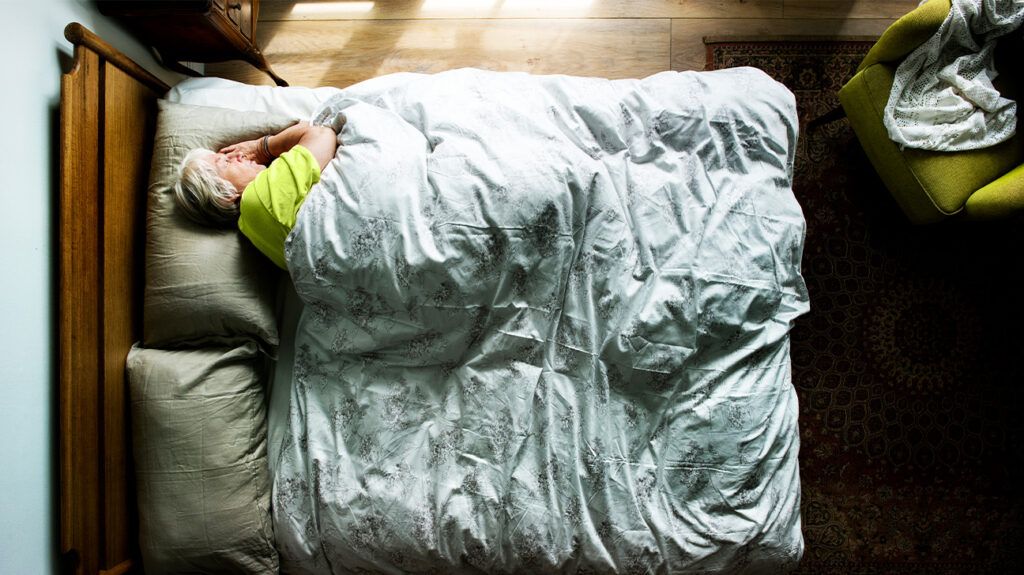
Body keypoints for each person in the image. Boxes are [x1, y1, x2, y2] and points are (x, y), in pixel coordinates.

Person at [174, 120, 340, 270]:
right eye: (225, 161)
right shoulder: (260, 196)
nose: (238, 155)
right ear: (224, 195)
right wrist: (263, 147)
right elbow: (322, 135)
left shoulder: (252, 231)